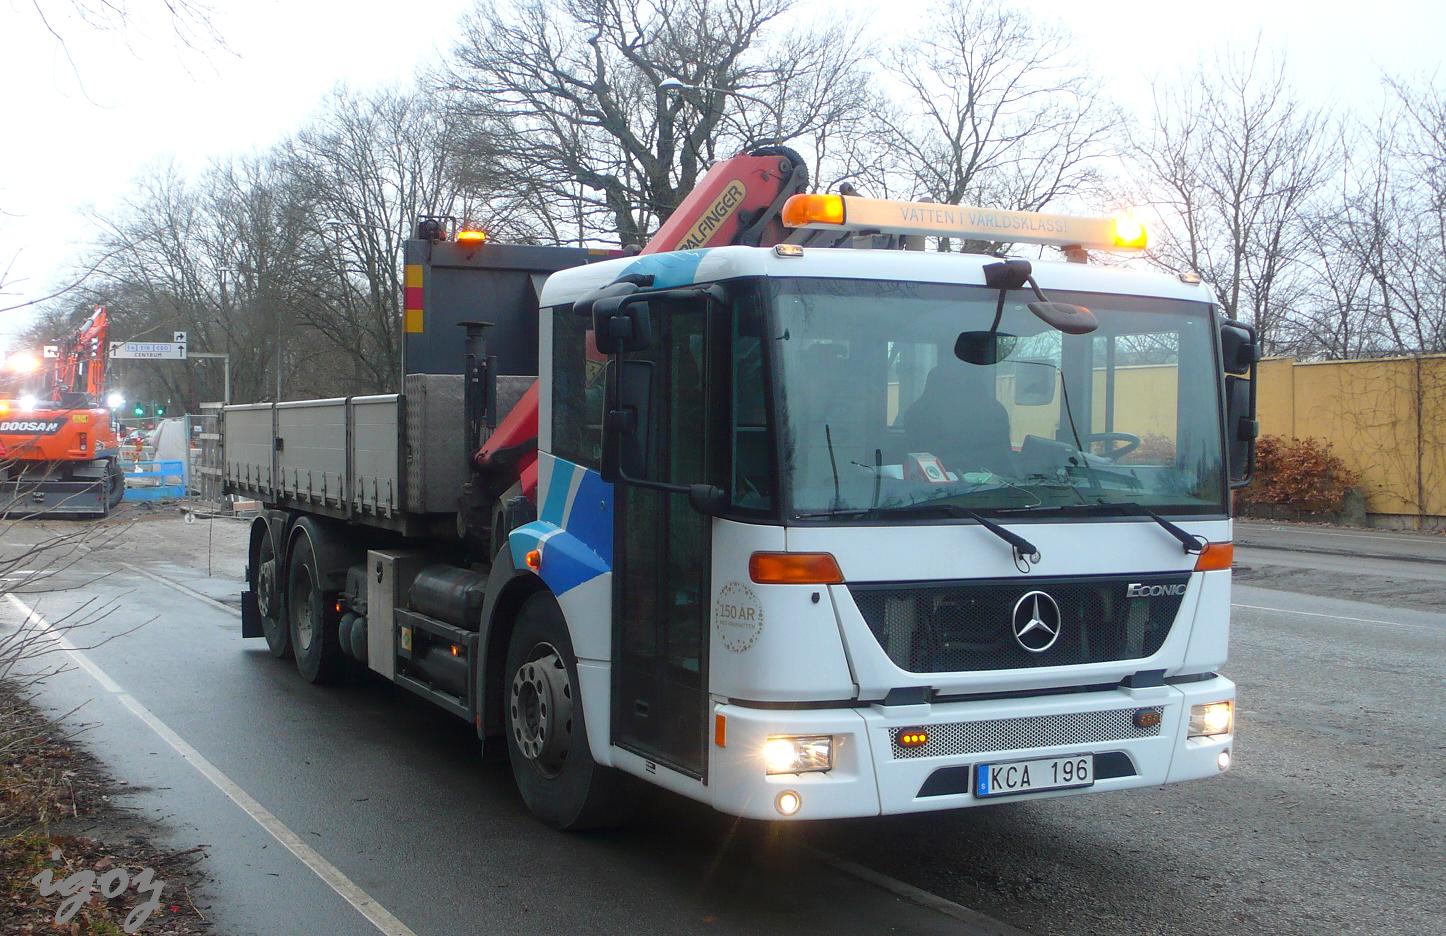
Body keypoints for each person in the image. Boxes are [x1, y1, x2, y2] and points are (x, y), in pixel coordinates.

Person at [902, 362, 1013, 476]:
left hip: (937, 482)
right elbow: (1006, 459)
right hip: (997, 482)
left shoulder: (919, 410)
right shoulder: (996, 410)